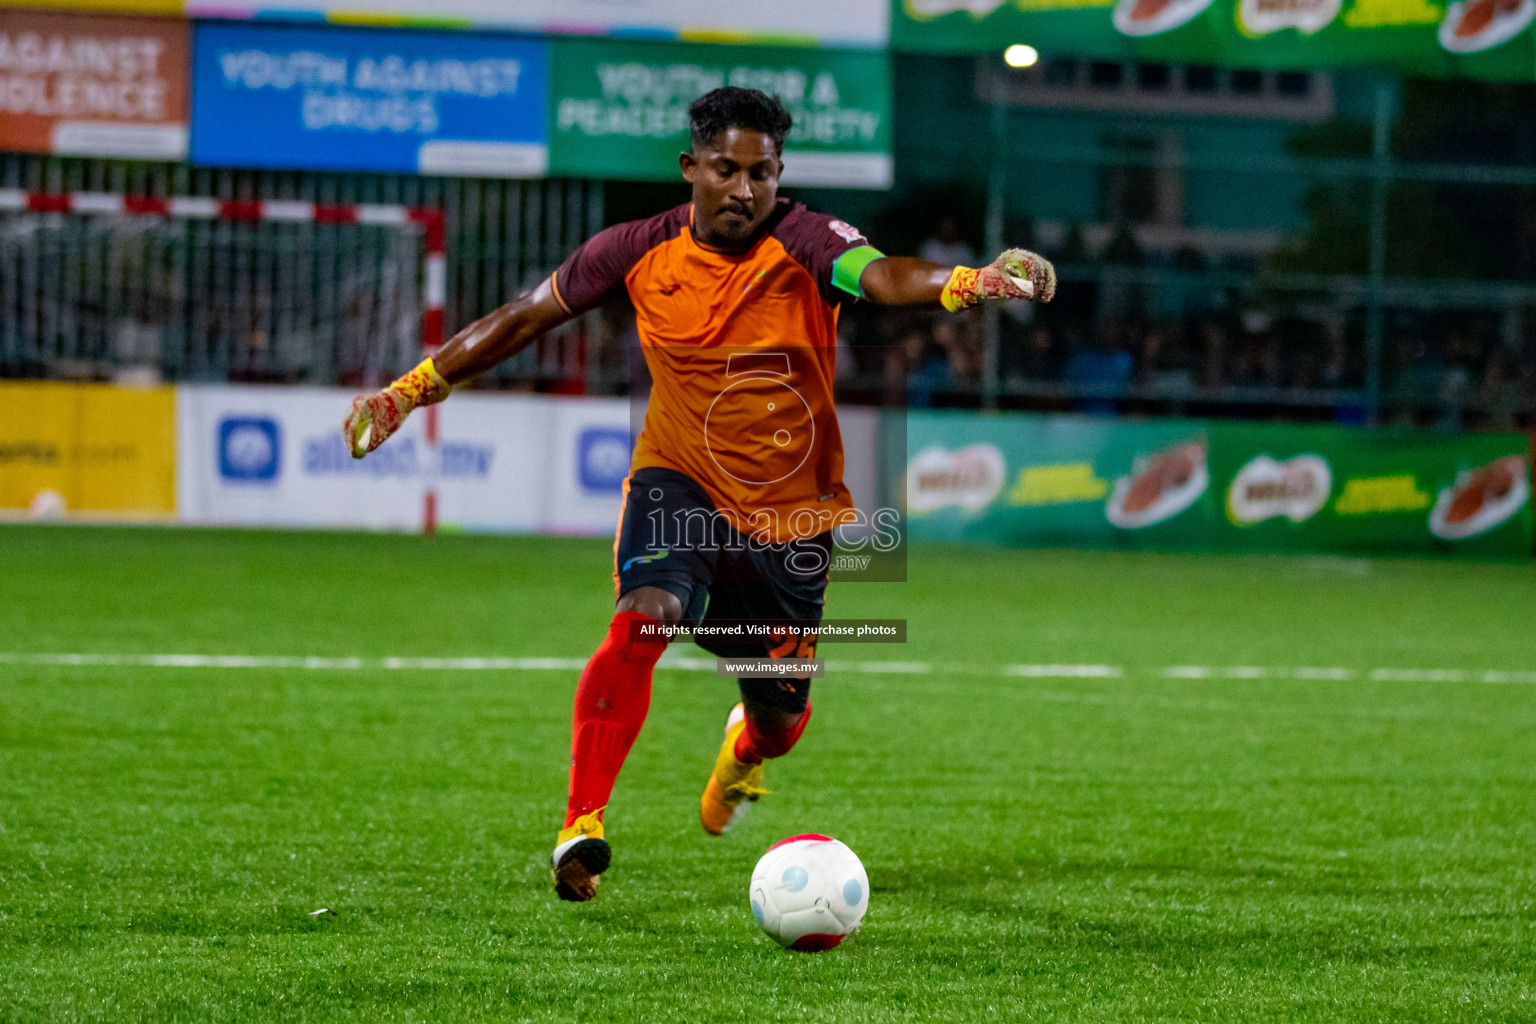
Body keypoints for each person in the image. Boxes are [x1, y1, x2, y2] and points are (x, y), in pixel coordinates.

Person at [341, 87, 1056, 903]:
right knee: (645, 611)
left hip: (791, 516)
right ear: (692, 168)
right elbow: (526, 315)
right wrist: (408, 391)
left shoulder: (809, 240)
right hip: (679, 479)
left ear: (780, 175)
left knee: (782, 721)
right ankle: (582, 825)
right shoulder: (634, 249)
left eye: (762, 173)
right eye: (726, 169)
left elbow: (886, 275)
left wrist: (970, 282)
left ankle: (743, 751)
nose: (745, 189)